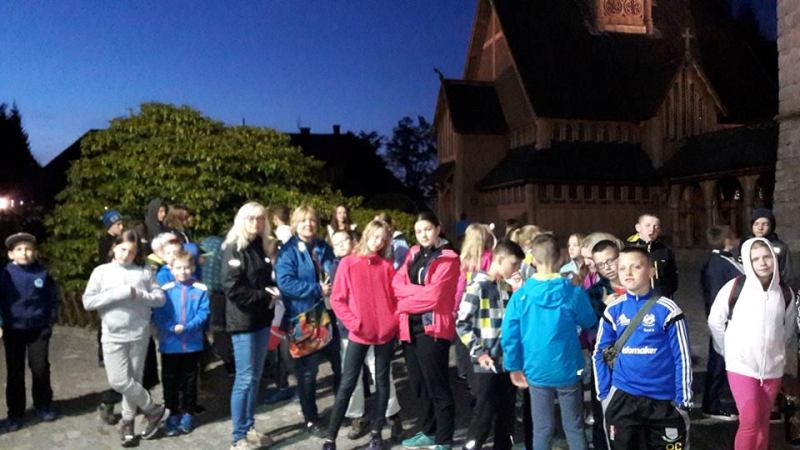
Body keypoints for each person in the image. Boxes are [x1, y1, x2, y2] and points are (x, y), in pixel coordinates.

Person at [592, 247, 692, 450]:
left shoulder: (668, 310)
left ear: (651, 271)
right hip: (623, 399)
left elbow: (682, 356)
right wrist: (604, 395)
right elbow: (599, 353)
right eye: (622, 268)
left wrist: (683, 400)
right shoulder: (613, 310)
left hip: (664, 400)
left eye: (636, 267)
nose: (628, 273)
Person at [502, 234, 595, 450]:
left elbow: (510, 335)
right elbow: (589, 320)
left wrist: (513, 366)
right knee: (574, 427)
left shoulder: (521, 295)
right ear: (560, 257)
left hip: (536, 368)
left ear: (533, 260)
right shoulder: (572, 291)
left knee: (542, 429)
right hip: (568, 367)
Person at [707, 237, 797, 450]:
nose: (762, 263)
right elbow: (715, 321)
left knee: (763, 422)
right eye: (755, 259)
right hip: (741, 367)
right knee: (749, 423)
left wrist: (776, 350)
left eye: (767, 257)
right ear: (748, 261)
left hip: (772, 369)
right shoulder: (734, 288)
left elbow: (788, 327)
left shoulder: (785, 293)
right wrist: (727, 350)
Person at [82, 230, 169, 446]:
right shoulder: (101, 272)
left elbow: (159, 299)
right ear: (114, 247)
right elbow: (88, 302)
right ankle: (153, 409)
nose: (126, 255)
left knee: (135, 380)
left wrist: (137, 294)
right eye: (122, 249)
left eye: (131, 251)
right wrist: (116, 294)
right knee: (119, 381)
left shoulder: (144, 271)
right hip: (112, 334)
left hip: (139, 334)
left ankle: (128, 423)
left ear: (137, 253)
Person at [323, 220, 400, 450]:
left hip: (384, 333)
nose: (378, 242)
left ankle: (376, 433)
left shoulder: (386, 266)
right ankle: (330, 438)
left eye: (382, 239)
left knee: (382, 383)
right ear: (366, 234)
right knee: (347, 383)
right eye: (375, 236)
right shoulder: (348, 263)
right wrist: (354, 323)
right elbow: (337, 299)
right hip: (359, 333)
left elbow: (396, 299)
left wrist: (392, 323)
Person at [392, 211, 460, 450]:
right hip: (409, 327)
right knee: (419, 384)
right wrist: (417, 293)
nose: (423, 235)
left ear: (438, 228)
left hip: (432, 328)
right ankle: (428, 431)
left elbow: (434, 297)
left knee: (437, 384)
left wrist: (403, 302)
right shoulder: (413, 253)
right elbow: (396, 283)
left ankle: (444, 439)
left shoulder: (448, 258)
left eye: (427, 229)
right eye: (419, 231)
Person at [275, 205, 340, 436]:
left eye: (311, 220)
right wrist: (316, 289)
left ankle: (343, 409)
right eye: (303, 221)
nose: (308, 224)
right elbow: (285, 283)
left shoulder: (322, 246)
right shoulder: (288, 251)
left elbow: (335, 269)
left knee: (340, 364)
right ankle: (311, 418)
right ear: (295, 224)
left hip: (330, 314)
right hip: (304, 317)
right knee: (308, 372)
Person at [456, 240, 525, 450]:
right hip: (485, 362)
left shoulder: (506, 287)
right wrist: (479, 353)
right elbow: (462, 324)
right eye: (513, 264)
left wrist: (519, 293)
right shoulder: (478, 286)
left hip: (506, 360)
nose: (516, 269)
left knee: (506, 412)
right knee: (484, 414)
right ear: (500, 259)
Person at [220, 202, 276, 450]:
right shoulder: (234, 247)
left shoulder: (259, 245)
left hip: (261, 319)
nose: (256, 223)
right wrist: (265, 295)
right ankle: (238, 436)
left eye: (261, 218)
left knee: (255, 377)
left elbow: (262, 280)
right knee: (244, 378)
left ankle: (249, 427)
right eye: (251, 218)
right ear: (241, 219)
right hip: (243, 321)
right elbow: (232, 288)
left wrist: (271, 291)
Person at [0, 232, 59, 431]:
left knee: (40, 367)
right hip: (13, 330)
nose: (24, 253)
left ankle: (43, 404)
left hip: (38, 329)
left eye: (28, 249)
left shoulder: (42, 273)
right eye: (19, 249)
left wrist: (50, 320)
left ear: (35, 252)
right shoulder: (5, 274)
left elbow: (52, 298)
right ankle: (15, 413)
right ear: (11, 254)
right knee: (15, 372)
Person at [152, 250, 209, 436]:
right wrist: (170, 326)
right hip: (170, 345)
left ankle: (188, 412)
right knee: (170, 381)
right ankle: (172, 412)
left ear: (192, 268)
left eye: (186, 268)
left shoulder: (200, 289)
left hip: (192, 344)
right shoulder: (165, 290)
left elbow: (203, 313)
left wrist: (188, 326)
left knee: (190, 381)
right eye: (178, 268)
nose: (183, 271)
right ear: (171, 269)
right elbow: (158, 314)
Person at [699, 225, 742, 420]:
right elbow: (716, 296)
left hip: (732, 319)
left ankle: (720, 400)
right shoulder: (717, 263)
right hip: (725, 320)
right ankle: (712, 404)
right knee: (718, 361)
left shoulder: (725, 260)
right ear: (727, 240)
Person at [454, 223, 495, 384]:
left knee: (465, 339)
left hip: (467, 305)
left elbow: (460, 287)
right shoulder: (490, 258)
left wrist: (456, 307)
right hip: (486, 308)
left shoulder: (466, 262)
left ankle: (465, 373)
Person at [626, 214, 678, 298]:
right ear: (638, 228)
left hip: (661, 297)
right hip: (636, 298)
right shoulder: (628, 249)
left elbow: (673, 277)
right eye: (647, 225)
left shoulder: (665, 250)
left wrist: (667, 292)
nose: (652, 229)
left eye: (655, 226)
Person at [749, 208, 794, 288]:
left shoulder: (780, 247)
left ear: (771, 226)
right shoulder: (746, 245)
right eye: (756, 224)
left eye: (765, 224)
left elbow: (787, 274)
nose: (760, 228)